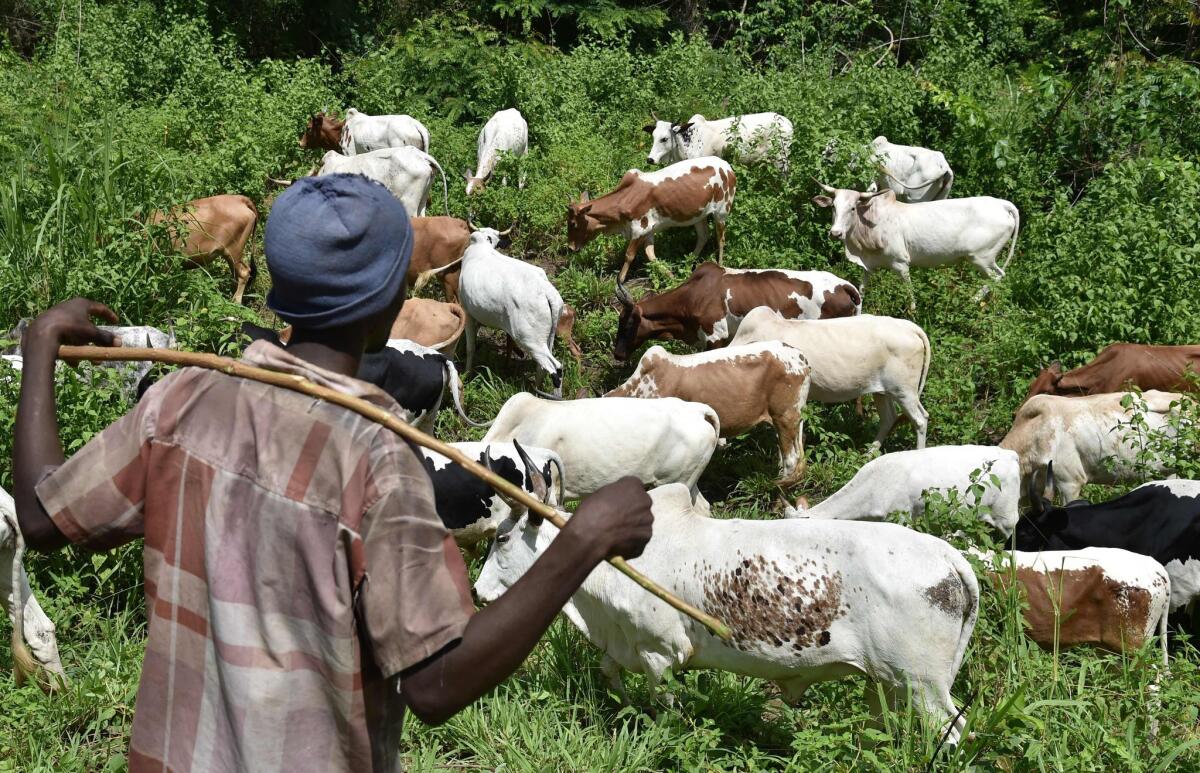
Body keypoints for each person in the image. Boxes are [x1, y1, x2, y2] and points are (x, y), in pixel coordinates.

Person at [12, 174, 654, 772]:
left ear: (278, 289)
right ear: (392, 301)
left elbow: (40, 519)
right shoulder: (378, 464)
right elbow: (433, 683)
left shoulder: (180, 400)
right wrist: (582, 542)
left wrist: (41, 345)